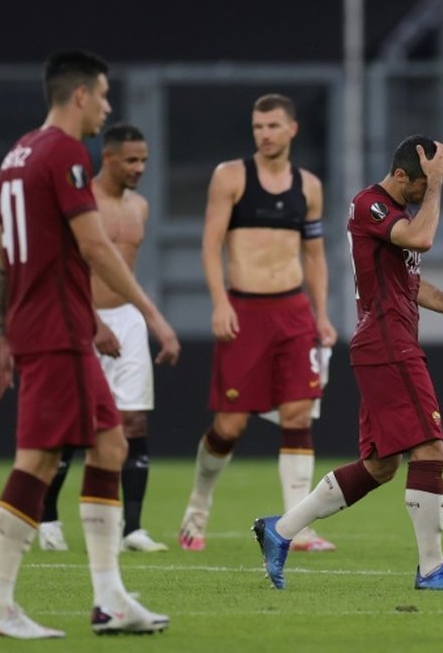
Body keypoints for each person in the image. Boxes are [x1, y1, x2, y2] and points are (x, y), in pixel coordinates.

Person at [0, 50, 179, 639]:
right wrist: (153, 314)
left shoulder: (17, 154)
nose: (109, 106)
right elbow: (94, 247)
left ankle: (111, 598)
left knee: (109, 446)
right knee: (37, 460)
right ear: (82, 95)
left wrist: (2, 331)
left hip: (49, 327)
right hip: (57, 331)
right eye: (105, 95)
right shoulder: (64, 152)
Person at [252, 134, 443, 591]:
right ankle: (432, 569)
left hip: (388, 342)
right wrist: (440, 185)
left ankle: (280, 529)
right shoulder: (372, 205)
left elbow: (413, 284)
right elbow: (423, 239)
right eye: (422, 186)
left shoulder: (398, 216)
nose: (427, 194)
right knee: (430, 449)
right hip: (388, 344)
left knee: (380, 465)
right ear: (401, 175)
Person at [178, 94, 337, 553]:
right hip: (244, 311)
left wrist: (321, 314)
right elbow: (210, 245)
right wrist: (219, 302)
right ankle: (197, 509)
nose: (264, 134)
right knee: (229, 426)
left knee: (297, 413)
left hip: (292, 312)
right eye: (257, 126)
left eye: (272, 125)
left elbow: (314, 256)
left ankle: (296, 526)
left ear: (292, 130)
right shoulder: (230, 177)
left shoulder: (308, 186)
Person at [36, 124, 167, 554]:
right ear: (107, 158)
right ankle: (48, 518)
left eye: (144, 160)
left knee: (134, 422)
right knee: (75, 427)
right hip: (81, 318)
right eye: (131, 160)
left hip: (126, 321)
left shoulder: (141, 208)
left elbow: (124, 272)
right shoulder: (82, 203)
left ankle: (133, 529)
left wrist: (150, 320)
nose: (139, 168)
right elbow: (63, 269)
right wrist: (93, 321)